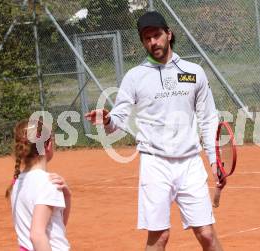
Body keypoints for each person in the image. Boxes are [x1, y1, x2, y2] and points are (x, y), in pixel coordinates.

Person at [85, 11, 224, 251]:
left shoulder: (194, 73)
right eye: (147, 38)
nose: (153, 42)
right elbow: (118, 118)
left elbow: (208, 119)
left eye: (157, 35)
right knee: (159, 237)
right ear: (142, 42)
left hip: (190, 162)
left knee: (207, 234)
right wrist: (107, 120)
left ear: (168, 34)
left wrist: (214, 159)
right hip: (155, 164)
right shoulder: (135, 77)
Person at [6, 119, 71, 251]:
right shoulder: (48, 183)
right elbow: (37, 235)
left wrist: (67, 196)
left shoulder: (16, 182)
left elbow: (57, 228)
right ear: (48, 145)